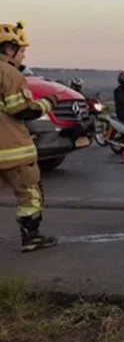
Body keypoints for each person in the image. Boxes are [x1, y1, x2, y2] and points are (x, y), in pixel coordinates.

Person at [0, 22, 59, 251]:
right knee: (30, 193)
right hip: (12, 150)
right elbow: (22, 110)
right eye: (21, 50)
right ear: (8, 50)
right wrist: (48, 103)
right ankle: (31, 236)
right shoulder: (9, 73)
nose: (23, 56)